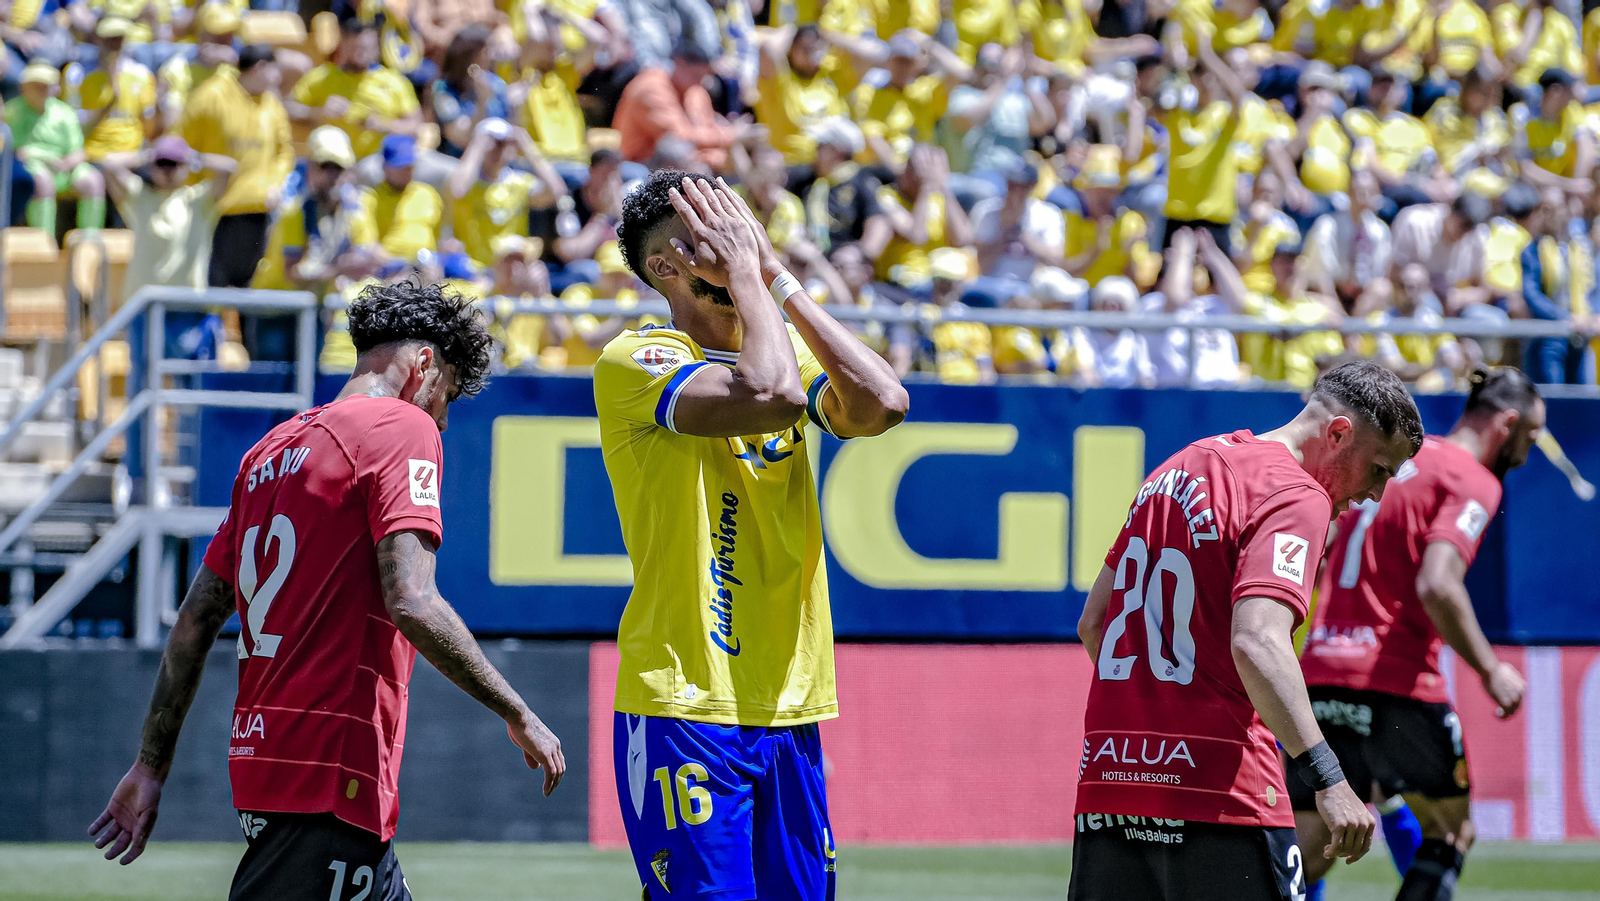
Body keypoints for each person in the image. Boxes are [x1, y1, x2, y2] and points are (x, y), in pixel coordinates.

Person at [88, 281, 566, 899]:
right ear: (423, 365)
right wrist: (517, 711)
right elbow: (412, 600)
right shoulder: (401, 426)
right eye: (445, 395)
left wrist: (150, 765)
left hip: (267, 766)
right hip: (331, 772)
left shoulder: (266, 452)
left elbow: (198, 615)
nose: (442, 422)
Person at [600, 170, 907, 900]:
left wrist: (780, 280)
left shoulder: (781, 349)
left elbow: (885, 402)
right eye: (706, 228)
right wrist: (746, 273)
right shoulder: (639, 360)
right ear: (664, 268)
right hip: (684, 699)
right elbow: (771, 395)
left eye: (734, 220)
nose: (732, 235)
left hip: (788, 703)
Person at [1072, 359, 1425, 901]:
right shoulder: (1296, 495)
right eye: (1379, 470)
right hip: (1223, 797)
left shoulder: (1177, 466)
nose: (1376, 495)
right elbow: (1258, 639)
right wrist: (1328, 778)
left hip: (1111, 787)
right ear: (1338, 433)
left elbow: (1094, 623)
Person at [1295, 366, 1545, 901]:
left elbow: (1317, 557)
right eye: (1531, 435)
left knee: (1306, 855)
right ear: (1507, 423)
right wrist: (1490, 669)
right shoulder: (1472, 478)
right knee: (1451, 830)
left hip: (1321, 677)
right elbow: (1438, 583)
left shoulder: (1395, 455)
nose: (1531, 449)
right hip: (1396, 683)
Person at [181, 44, 295, 290]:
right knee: (211, 289)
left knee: (248, 289)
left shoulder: (271, 104)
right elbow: (183, 145)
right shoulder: (210, 96)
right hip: (214, 213)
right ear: (261, 67)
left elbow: (284, 151)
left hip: (256, 212)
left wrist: (275, 183)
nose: (279, 78)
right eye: (276, 70)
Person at [288, 17, 422, 164]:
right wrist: (318, 112)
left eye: (367, 48)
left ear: (377, 47)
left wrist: (383, 125)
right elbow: (288, 108)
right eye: (357, 48)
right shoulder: (322, 77)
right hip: (331, 162)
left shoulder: (394, 81)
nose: (362, 54)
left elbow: (415, 126)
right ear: (344, 45)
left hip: (379, 160)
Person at [447, 116, 566, 268]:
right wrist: (477, 144)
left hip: (512, 273)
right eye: (494, 143)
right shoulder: (468, 182)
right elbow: (457, 190)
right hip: (475, 272)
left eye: (504, 143)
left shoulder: (519, 183)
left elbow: (557, 192)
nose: (498, 149)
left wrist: (527, 147)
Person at [7, 60, 105, 235]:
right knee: (43, 181)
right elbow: (18, 151)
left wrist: (67, 163)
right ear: (24, 87)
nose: (42, 89)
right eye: (36, 85)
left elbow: (78, 150)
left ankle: (90, 239)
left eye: (46, 85)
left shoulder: (65, 112)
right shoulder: (12, 112)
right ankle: (44, 240)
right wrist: (50, 160)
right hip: (33, 167)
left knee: (93, 180)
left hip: (65, 168)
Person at [613, 41, 747, 170]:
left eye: (703, 76)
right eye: (695, 75)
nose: (700, 81)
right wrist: (731, 135)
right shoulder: (651, 88)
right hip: (642, 165)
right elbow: (677, 137)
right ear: (678, 64)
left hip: (690, 162)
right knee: (679, 152)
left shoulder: (695, 89)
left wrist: (721, 153)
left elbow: (706, 130)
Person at [366, 134, 443, 264]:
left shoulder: (428, 194)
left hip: (426, 267)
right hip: (388, 271)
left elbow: (440, 238)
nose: (406, 172)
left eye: (409, 167)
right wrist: (399, 266)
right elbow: (368, 246)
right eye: (400, 168)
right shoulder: (370, 199)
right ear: (385, 167)